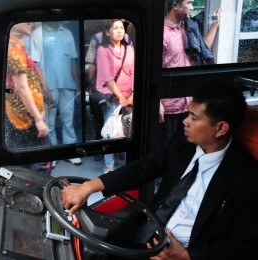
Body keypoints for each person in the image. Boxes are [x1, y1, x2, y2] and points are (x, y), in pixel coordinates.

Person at [61, 80, 258, 259]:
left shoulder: (246, 177)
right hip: (148, 230)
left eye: (194, 117)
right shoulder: (184, 143)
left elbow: (242, 246)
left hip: (185, 251)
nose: (185, 121)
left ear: (221, 128)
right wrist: (88, 187)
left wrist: (187, 256)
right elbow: (143, 169)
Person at [160, 0, 222, 146]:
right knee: (169, 149)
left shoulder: (188, 28)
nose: (192, 8)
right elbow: (154, 70)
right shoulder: (162, 33)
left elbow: (203, 48)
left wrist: (215, 24)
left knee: (186, 148)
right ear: (176, 5)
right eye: (189, 3)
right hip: (170, 108)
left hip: (190, 104)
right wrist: (158, 103)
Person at [30, 21, 82, 166]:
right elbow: (35, 65)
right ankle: (52, 155)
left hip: (68, 83)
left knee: (68, 121)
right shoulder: (38, 33)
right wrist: (43, 87)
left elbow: (73, 60)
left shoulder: (67, 33)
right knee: (50, 123)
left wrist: (77, 85)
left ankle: (69, 153)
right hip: (49, 86)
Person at [5, 22, 50, 173]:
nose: (31, 23)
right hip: (25, 119)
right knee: (39, 164)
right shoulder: (13, 47)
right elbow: (22, 87)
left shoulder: (16, 44)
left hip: (25, 115)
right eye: (26, 19)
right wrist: (38, 118)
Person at [95, 19, 134, 173]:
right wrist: (122, 98)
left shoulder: (129, 49)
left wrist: (132, 95)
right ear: (108, 32)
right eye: (115, 28)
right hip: (111, 98)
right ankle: (109, 165)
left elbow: (135, 72)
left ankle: (125, 163)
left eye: (121, 28)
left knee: (127, 130)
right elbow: (107, 78)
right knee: (111, 133)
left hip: (129, 97)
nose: (119, 31)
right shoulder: (102, 50)